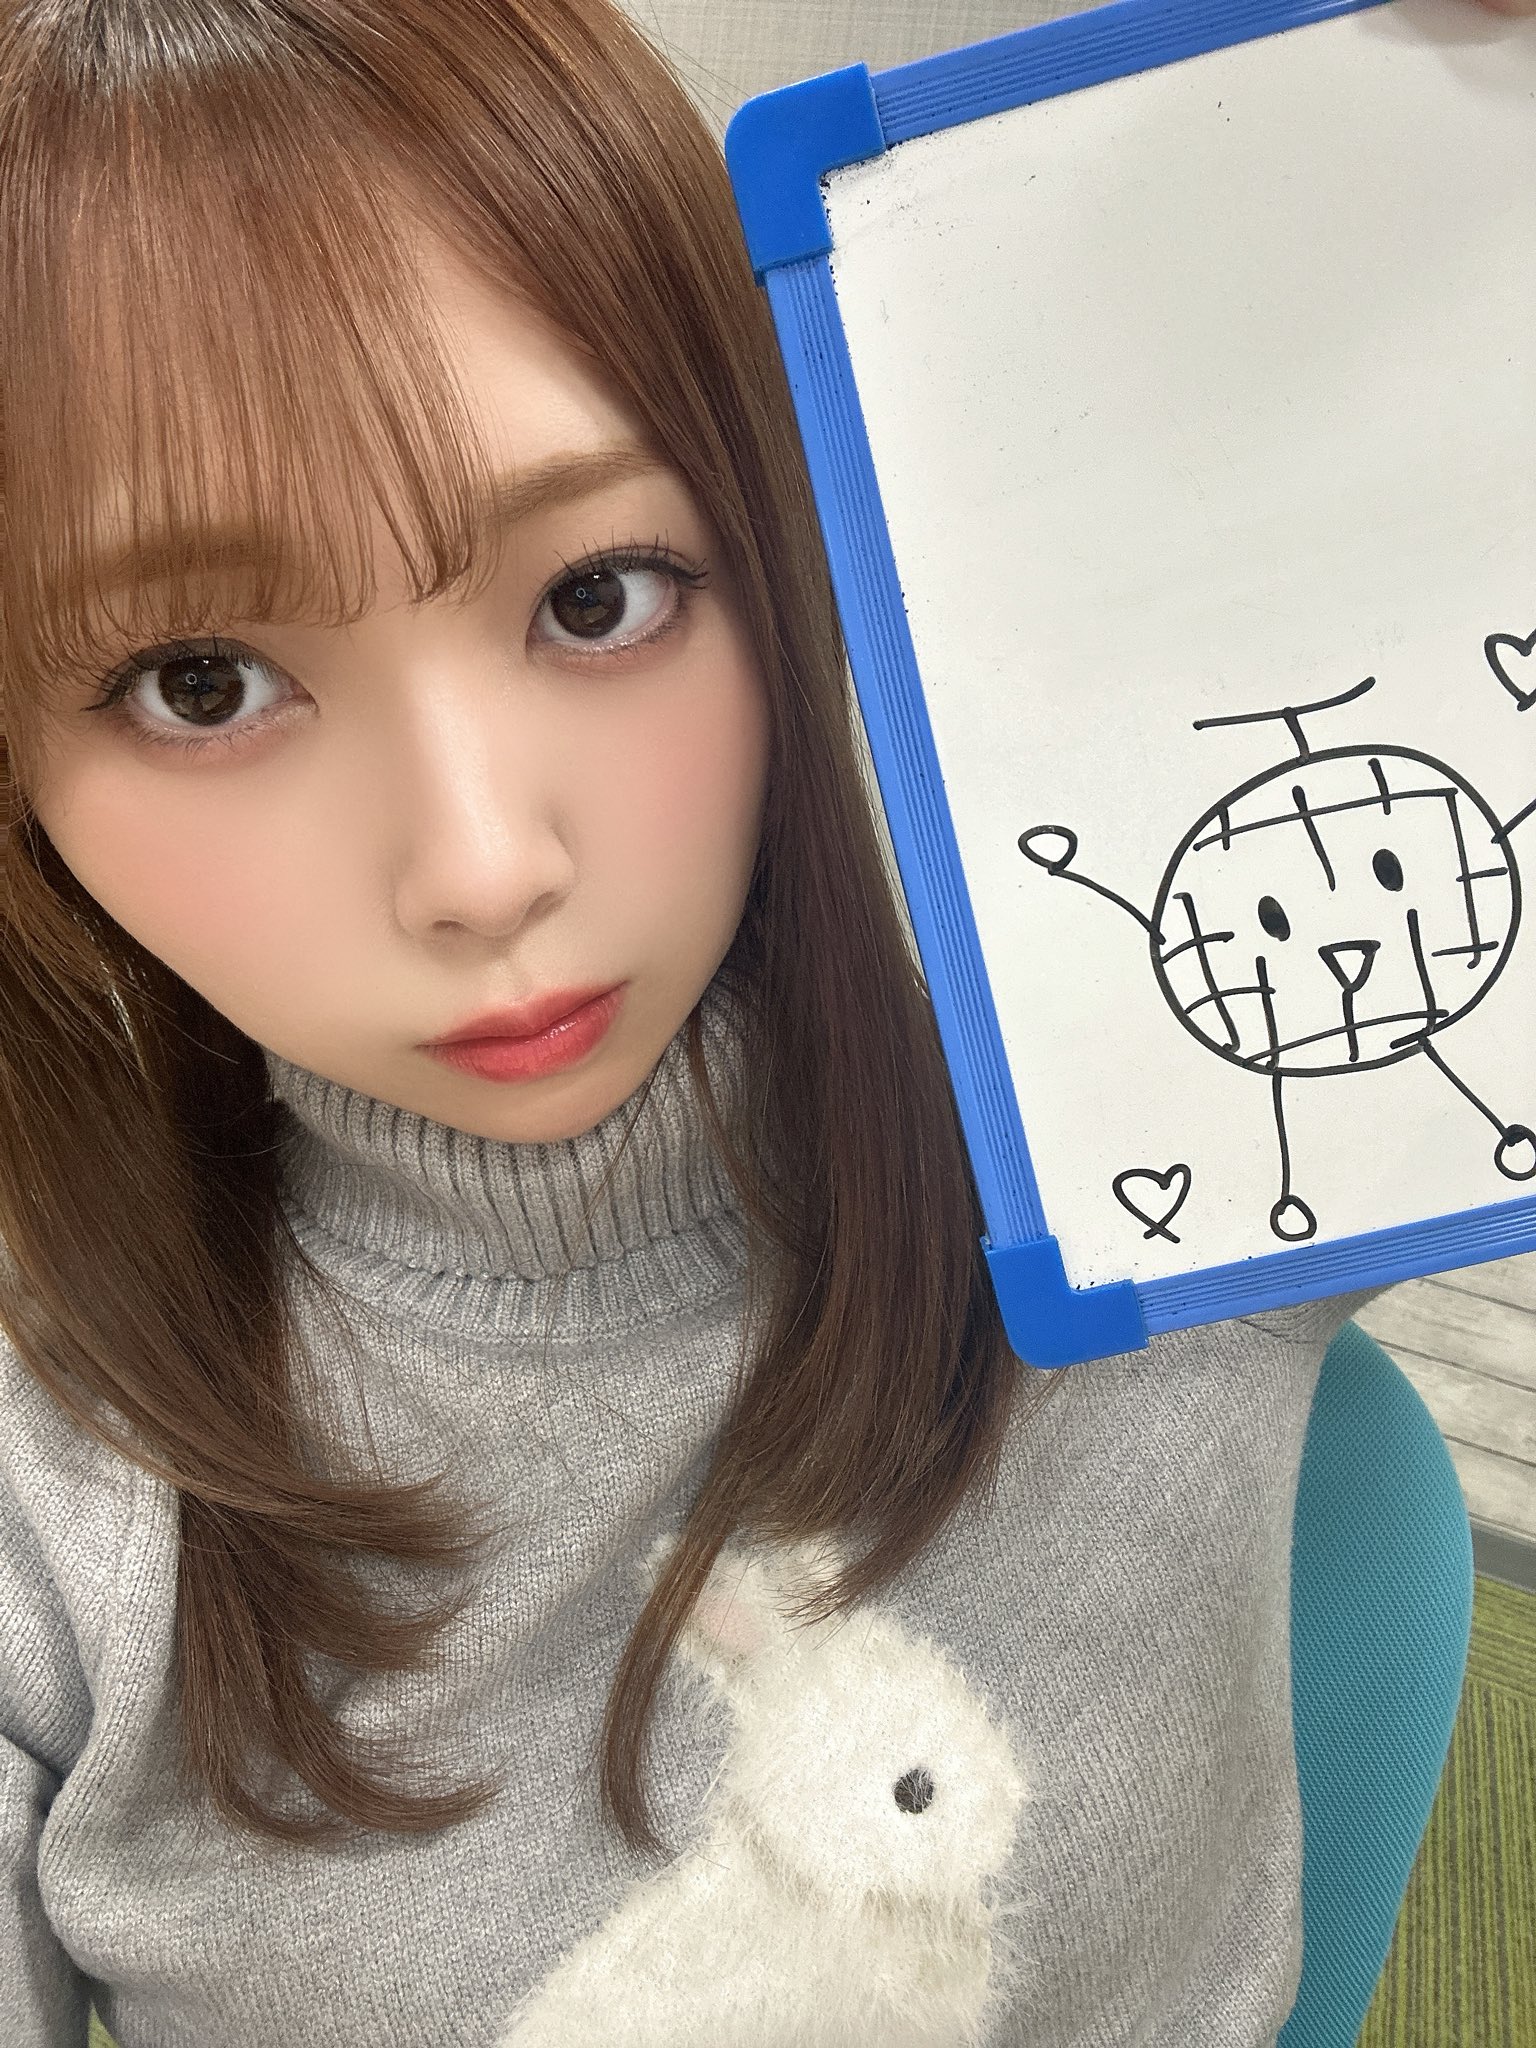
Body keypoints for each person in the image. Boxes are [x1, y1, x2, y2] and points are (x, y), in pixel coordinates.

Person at [0, 1, 1524, 2044]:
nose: (481, 868)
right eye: (201, 683)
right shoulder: (53, 1498)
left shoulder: (1158, 1125)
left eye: (599, 596)